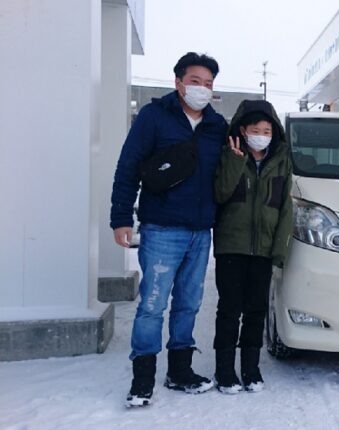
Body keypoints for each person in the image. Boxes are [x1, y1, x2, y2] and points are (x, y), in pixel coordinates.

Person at [110, 52, 228, 407]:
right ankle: (142, 378)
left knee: (189, 303)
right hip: (162, 228)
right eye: (195, 81)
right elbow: (128, 165)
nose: (202, 89)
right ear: (178, 82)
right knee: (152, 304)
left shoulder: (216, 125)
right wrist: (121, 217)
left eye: (208, 83)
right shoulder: (154, 117)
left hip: (200, 232)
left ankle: (180, 370)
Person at [212, 100, 293, 394]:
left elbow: (285, 209)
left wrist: (279, 250)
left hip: (263, 250)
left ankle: (251, 368)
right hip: (231, 247)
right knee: (229, 310)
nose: (261, 135)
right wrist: (234, 161)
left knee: (256, 311)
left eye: (266, 131)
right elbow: (220, 193)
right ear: (243, 131)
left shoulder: (281, 161)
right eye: (255, 130)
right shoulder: (228, 155)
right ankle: (224, 370)